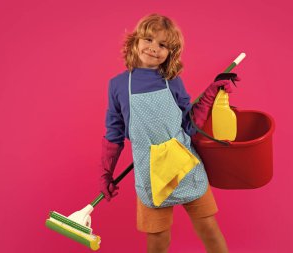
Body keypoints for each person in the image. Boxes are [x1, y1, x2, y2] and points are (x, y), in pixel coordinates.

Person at [99, 13, 239, 253]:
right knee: (157, 240)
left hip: (186, 166)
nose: (154, 48)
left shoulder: (172, 81)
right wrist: (106, 174)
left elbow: (190, 124)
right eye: (149, 40)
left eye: (163, 45)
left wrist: (211, 91)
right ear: (135, 41)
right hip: (150, 175)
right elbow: (114, 134)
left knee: (209, 229)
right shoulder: (118, 85)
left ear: (170, 53)